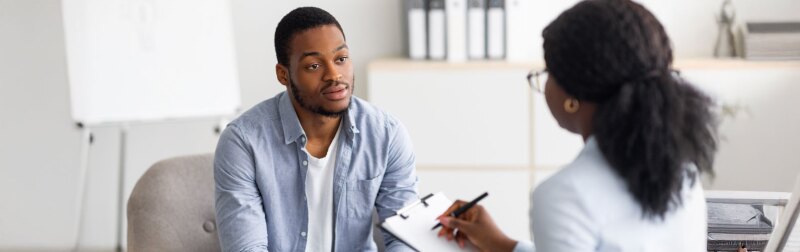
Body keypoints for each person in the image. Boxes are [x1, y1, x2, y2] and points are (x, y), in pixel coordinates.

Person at [436, 0, 718, 251]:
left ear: (572, 97)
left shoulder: (565, 195)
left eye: (548, 72)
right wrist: (501, 245)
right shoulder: (682, 174)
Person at [214, 7, 418, 252]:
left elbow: (405, 239)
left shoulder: (387, 135)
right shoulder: (243, 142)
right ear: (283, 75)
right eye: (313, 66)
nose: (334, 75)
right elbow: (246, 248)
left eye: (341, 59)